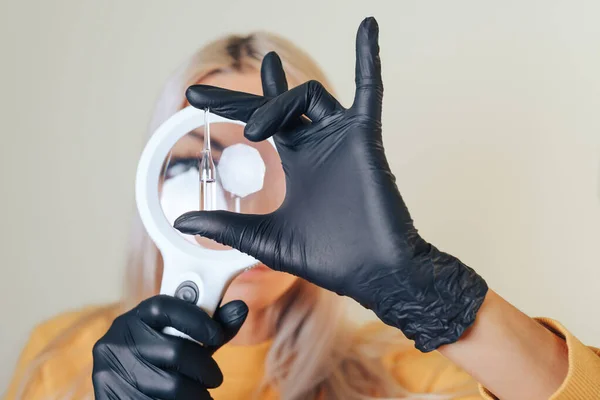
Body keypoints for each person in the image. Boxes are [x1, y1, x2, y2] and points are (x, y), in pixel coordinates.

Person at [5, 17, 600, 400]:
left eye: (276, 162)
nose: (248, 207)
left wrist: (430, 296)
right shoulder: (61, 359)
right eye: (199, 165)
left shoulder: (410, 380)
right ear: (154, 185)